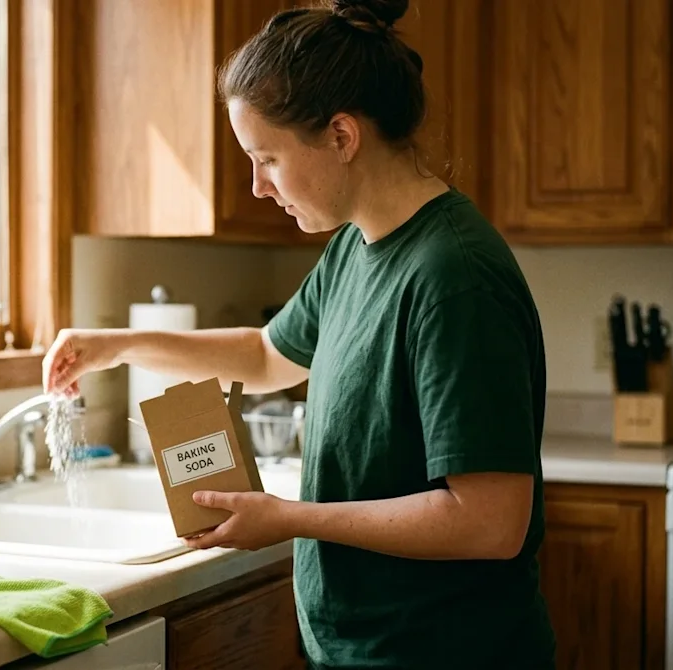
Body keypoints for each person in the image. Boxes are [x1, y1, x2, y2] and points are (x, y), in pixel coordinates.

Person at [42, 0, 556, 667]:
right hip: (363, 651)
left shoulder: (454, 276)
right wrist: (117, 344)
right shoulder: (356, 249)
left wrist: (289, 517)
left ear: (342, 137)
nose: (257, 187)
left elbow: (489, 522)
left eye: (268, 159)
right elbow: (264, 356)